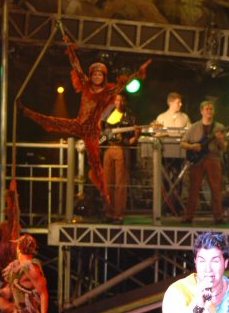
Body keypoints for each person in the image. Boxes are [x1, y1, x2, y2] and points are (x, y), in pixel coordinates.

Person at [23, 36, 150, 211]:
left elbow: (124, 84)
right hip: (79, 124)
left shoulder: (107, 92)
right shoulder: (85, 84)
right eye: (95, 74)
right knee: (53, 121)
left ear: (104, 76)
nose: (97, 76)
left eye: (100, 74)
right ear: (91, 76)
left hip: (91, 131)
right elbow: (76, 66)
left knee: (97, 167)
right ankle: (27, 112)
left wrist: (138, 72)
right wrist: (70, 48)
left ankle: (107, 201)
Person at [181, 101, 228, 224]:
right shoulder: (194, 127)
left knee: (216, 189)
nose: (209, 111)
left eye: (211, 109)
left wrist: (221, 140)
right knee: (193, 189)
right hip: (197, 161)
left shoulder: (219, 127)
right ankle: (189, 216)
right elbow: (183, 143)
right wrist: (192, 147)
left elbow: (224, 147)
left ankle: (218, 217)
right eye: (207, 109)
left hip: (213, 159)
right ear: (201, 111)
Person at [101, 93, 141, 224]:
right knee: (108, 183)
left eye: (121, 100)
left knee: (120, 184)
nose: (118, 102)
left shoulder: (130, 116)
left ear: (125, 102)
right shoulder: (108, 113)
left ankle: (118, 215)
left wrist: (137, 135)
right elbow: (101, 129)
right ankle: (108, 212)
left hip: (121, 149)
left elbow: (131, 140)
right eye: (116, 100)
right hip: (108, 149)